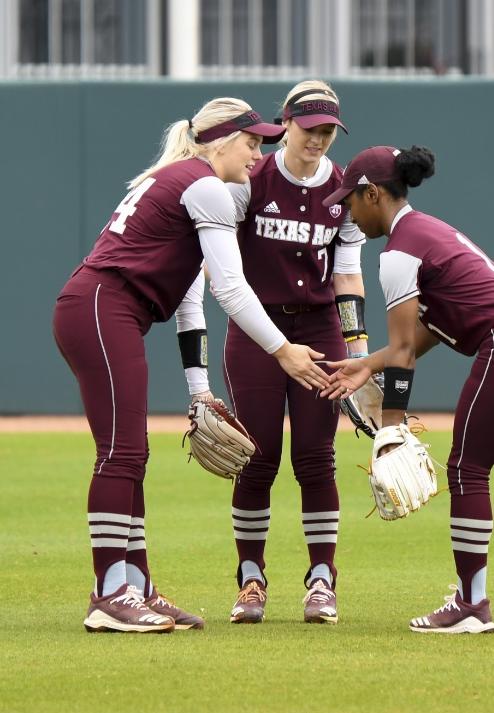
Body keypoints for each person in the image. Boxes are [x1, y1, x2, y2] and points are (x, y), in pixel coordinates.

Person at [52, 98, 330, 634]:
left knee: (131, 453)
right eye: (252, 142)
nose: (259, 152)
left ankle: (136, 586)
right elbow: (229, 287)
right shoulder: (204, 185)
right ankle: (110, 593)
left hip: (102, 307)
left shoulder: (187, 180)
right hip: (102, 306)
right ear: (220, 142)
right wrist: (282, 350)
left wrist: (199, 389)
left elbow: (188, 298)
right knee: (122, 453)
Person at [320, 146, 494, 634]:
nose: (348, 211)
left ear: (373, 193)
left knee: (466, 470)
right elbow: (422, 336)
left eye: (351, 201)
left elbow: (405, 350)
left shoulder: (398, 252)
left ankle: (471, 605)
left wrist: (390, 432)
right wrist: (366, 363)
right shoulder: (428, 229)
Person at [183, 80, 367, 625]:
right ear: (285, 123)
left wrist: (357, 350)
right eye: (310, 127)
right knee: (257, 456)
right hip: (257, 328)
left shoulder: (343, 188)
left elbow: (348, 275)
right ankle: (250, 578)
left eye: (328, 129)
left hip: (320, 325)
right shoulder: (249, 178)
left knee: (316, 456)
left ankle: (321, 580)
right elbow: (218, 263)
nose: (319, 138)